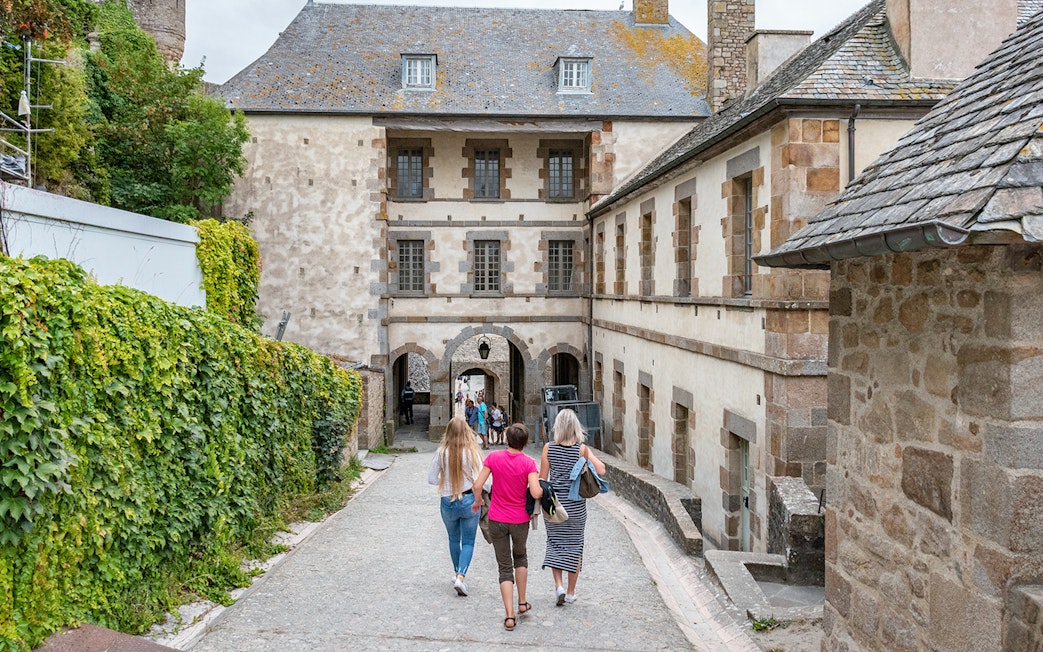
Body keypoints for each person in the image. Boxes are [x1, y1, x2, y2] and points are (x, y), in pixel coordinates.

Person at [471, 423, 543, 631]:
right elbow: (537, 493)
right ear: (525, 442)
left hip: (497, 519)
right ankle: (522, 602)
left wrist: (479, 502)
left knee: (504, 567)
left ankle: (509, 616)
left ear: (507, 440)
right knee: (520, 557)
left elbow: (477, 485)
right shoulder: (529, 463)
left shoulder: (493, 458)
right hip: (520, 519)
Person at [540, 408, 606, 606]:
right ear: (576, 427)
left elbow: (543, 478)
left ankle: (558, 586)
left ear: (557, 427)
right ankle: (570, 592)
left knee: (555, 543)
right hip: (576, 506)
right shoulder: (582, 450)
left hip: (555, 506)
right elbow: (602, 469)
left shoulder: (548, 448)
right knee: (575, 547)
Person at [427, 416, 484, 597]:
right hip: (469, 500)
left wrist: (446, 478)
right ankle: (461, 576)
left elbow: (432, 479)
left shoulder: (441, 452)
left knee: (453, 539)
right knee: (468, 541)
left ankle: (457, 573)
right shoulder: (472, 452)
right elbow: (484, 481)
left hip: (447, 500)